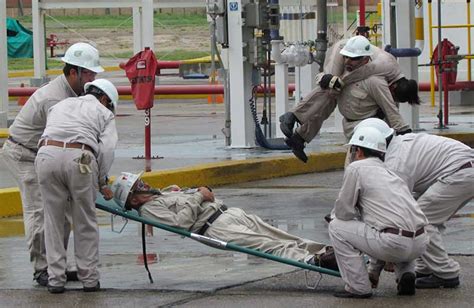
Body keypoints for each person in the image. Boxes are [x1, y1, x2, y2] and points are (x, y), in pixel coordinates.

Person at [1, 42, 103, 286]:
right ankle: (42, 268)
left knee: (62, 212)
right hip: (24, 153)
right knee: (40, 211)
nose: (93, 78)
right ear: (73, 72)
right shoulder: (54, 99)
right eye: (89, 73)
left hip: (45, 154)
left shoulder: (76, 93)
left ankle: (56, 266)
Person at [110, 172, 338, 270]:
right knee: (267, 244)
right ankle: (312, 260)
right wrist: (199, 195)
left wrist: (193, 193)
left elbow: (187, 201)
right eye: (138, 186)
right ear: (133, 199)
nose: (144, 184)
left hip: (226, 212)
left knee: (281, 236)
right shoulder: (149, 210)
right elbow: (181, 223)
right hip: (215, 227)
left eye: (141, 181)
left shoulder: (159, 194)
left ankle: (327, 252)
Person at [356, 118, 474, 289]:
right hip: (462, 170)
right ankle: (426, 268)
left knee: (421, 221)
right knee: (427, 217)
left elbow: (391, 217)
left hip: (459, 173)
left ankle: (446, 273)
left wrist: (375, 268)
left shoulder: (395, 165)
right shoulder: (399, 145)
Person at [35, 79, 118, 294]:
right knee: (85, 220)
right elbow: (106, 150)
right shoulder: (104, 113)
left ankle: (55, 279)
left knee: (53, 220)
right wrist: (102, 182)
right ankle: (89, 279)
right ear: (105, 99)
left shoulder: (61, 105)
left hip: (46, 156)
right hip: (80, 158)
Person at [279, 36, 418, 162]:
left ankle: (299, 137)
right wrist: (326, 79)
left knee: (331, 94)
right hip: (341, 47)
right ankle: (293, 116)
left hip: (359, 125)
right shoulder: (382, 68)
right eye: (347, 58)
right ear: (393, 88)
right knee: (331, 89)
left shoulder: (379, 77)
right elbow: (348, 79)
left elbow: (389, 108)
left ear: (365, 59)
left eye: (352, 59)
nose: (348, 61)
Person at [328, 126, 428, 298]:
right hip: (420, 243)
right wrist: (373, 271)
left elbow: (344, 212)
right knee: (396, 228)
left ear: (358, 150)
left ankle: (358, 287)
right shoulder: (391, 171)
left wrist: (338, 216)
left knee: (336, 226)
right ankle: (405, 273)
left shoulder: (356, 168)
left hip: (393, 243)